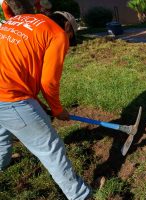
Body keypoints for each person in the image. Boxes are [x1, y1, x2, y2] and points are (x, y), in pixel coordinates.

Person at [0, 11, 91, 200]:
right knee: (50, 148)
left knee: (1, 133)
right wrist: (57, 110)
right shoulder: (57, 34)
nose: (68, 43)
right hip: (9, 96)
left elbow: (18, 63)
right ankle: (80, 196)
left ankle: (1, 163)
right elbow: (48, 82)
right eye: (71, 37)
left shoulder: (21, 19)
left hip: (7, 92)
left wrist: (37, 103)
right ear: (67, 26)